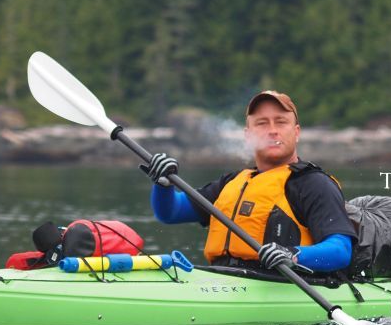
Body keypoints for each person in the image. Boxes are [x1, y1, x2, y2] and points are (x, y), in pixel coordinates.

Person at [141, 91, 356, 273]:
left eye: (281, 122)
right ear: (248, 135)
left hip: (278, 284)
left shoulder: (313, 184)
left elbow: (341, 251)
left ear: (296, 132)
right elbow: (171, 212)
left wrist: (293, 254)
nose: (272, 130)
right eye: (261, 123)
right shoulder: (231, 183)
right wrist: (163, 184)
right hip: (223, 279)